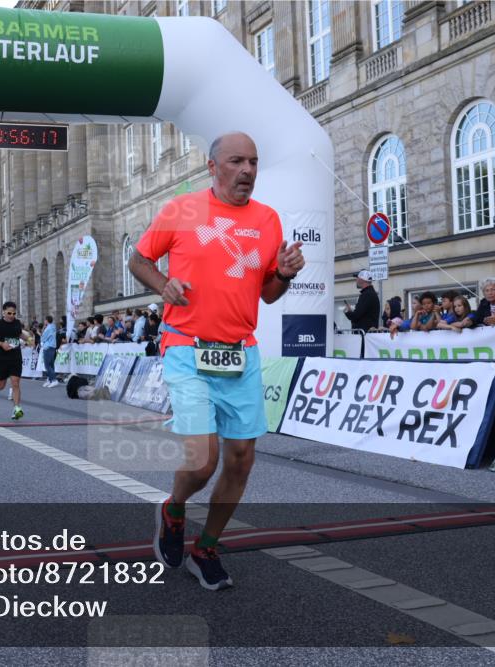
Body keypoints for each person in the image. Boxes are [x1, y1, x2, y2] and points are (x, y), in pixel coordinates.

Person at [128, 132, 304, 591]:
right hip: (186, 346)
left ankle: (205, 548)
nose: (247, 170)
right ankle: (174, 509)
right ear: (212, 167)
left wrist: (285, 274)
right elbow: (138, 259)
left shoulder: (267, 220)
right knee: (204, 461)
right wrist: (163, 284)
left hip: (240, 351)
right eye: (236, 161)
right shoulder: (181, 210)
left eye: (253, 162)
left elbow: (268, 293)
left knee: (241, 459)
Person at [0, 301, 30, 420]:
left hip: (16, 357)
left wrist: (29, 339)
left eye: (14, 313)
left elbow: (20, 334)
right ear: (4, 312)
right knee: (2, 385)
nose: (12, 315)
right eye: (9, 313)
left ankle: (17, 409)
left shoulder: (17, 323)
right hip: (3, 358)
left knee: (15, 383)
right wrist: (1, 344)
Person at [41, 315, 59, 388]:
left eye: (45, 320)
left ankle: (54, 380)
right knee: (51, 364)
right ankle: (50, 379)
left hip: (48, 347)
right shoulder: (53, 327)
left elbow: (43, 338)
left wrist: (43, 329)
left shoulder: (48, 328)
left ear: (47, 320)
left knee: (47, 365)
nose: (44, 321)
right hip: (52, 346)